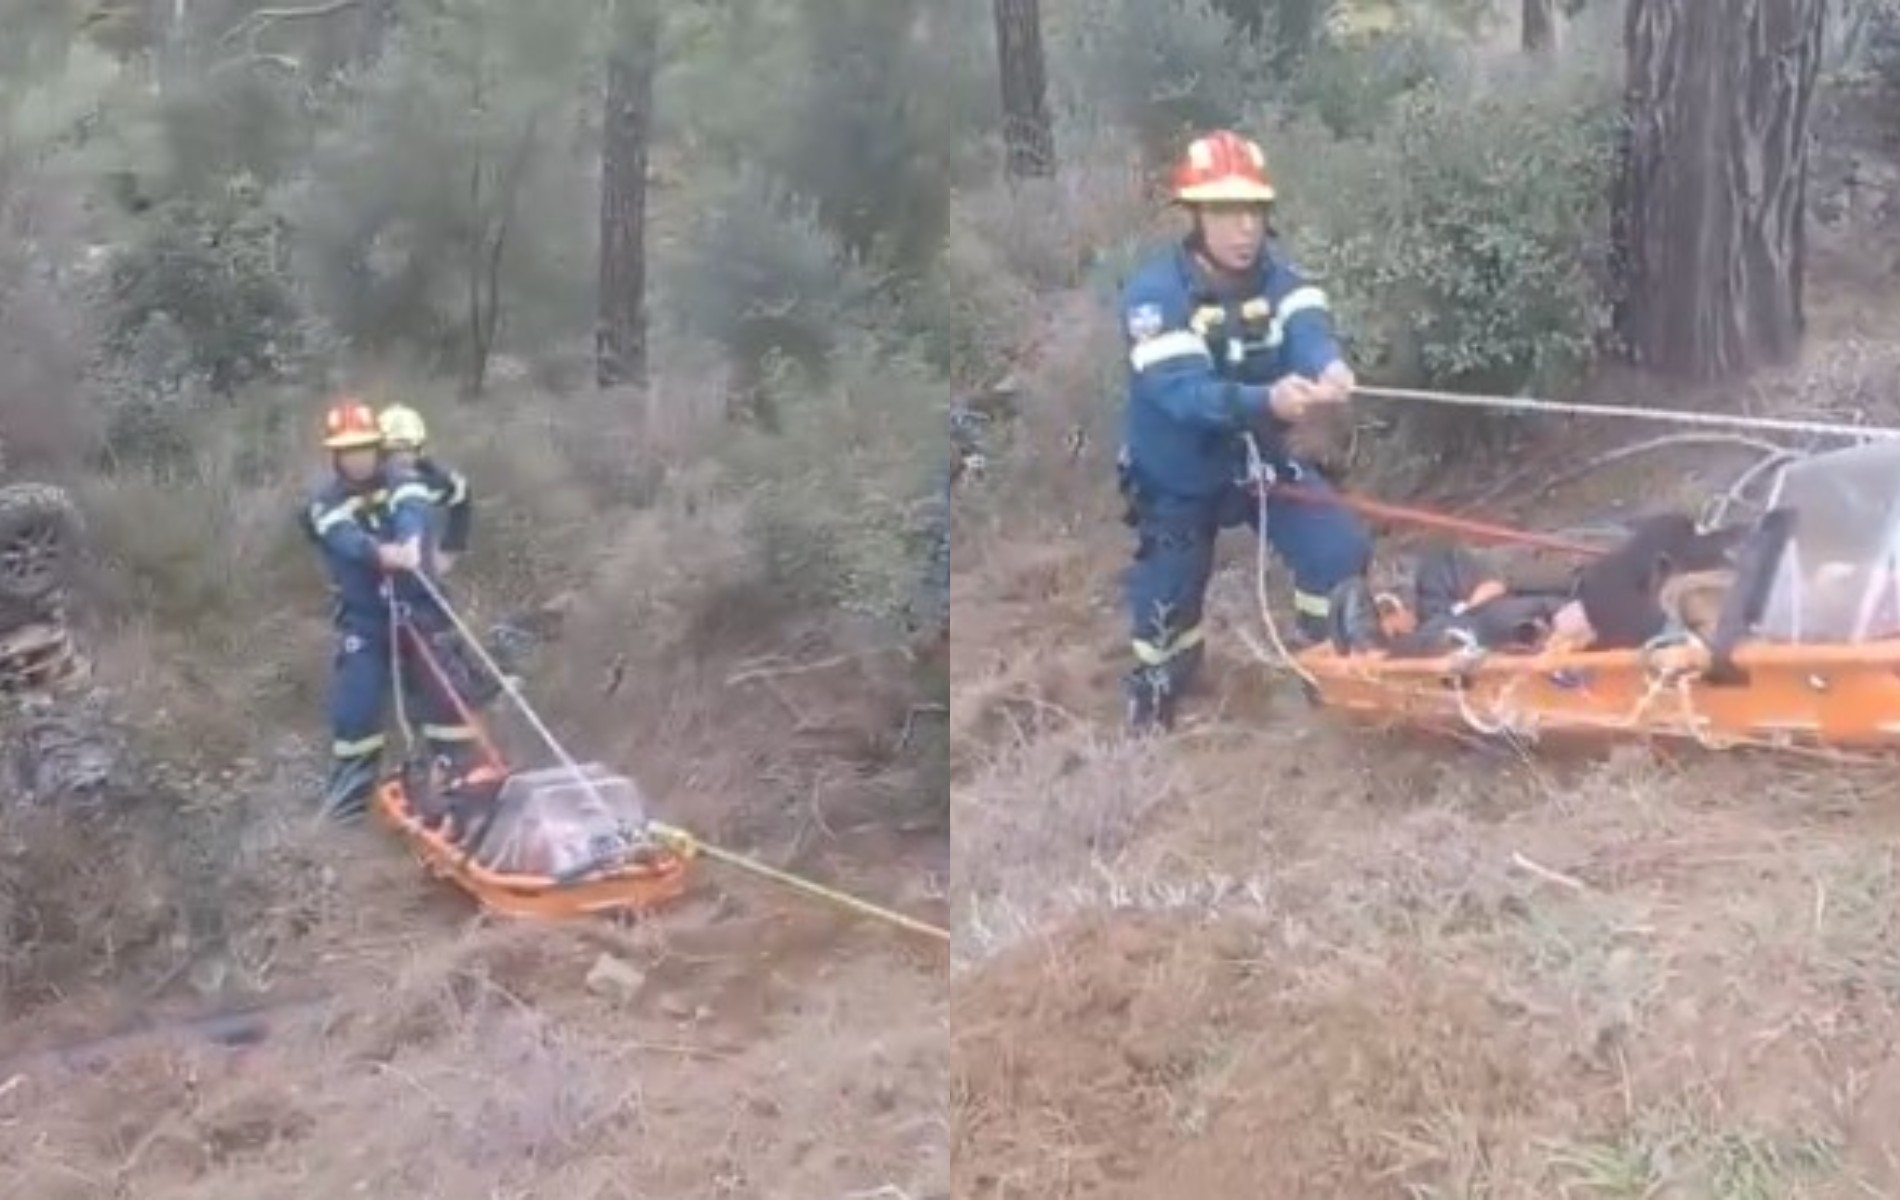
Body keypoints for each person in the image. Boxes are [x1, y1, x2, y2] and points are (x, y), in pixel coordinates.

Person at [1117, 128, 1371, 731]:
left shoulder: (1283, 280)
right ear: (1196, 217)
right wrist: (1270, 399)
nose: (1245, 228)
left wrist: (1328, 366)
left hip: (1258, 456)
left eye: (1254, 211)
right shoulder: (1153, 299)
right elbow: (1184, 395)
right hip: (1178, 469)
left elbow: (1307, 325)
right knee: (1168, 602)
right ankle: (1155, 704)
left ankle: (1330, 674)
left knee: (1337, 549)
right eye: (1227, 212)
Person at [302, 399, 480, 822]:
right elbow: (341, 536)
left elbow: (413, 510)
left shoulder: (407, 480)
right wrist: (381, 554)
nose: (357, 457)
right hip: (366, 621)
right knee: (357, 708)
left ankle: (462, 788)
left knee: (447, 697)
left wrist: (416, 544)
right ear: (336, 456)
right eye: (348, 451)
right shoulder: (323, 505)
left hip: (420, 609)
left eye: (363, 447)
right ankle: (347, 811)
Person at [376, 404, 473, 573]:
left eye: (410, 450)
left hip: (420, 571)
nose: (403, 457)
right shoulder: (366, 484)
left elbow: (461, 493)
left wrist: (451, 549)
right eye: (394, 451)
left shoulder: (434, 481)